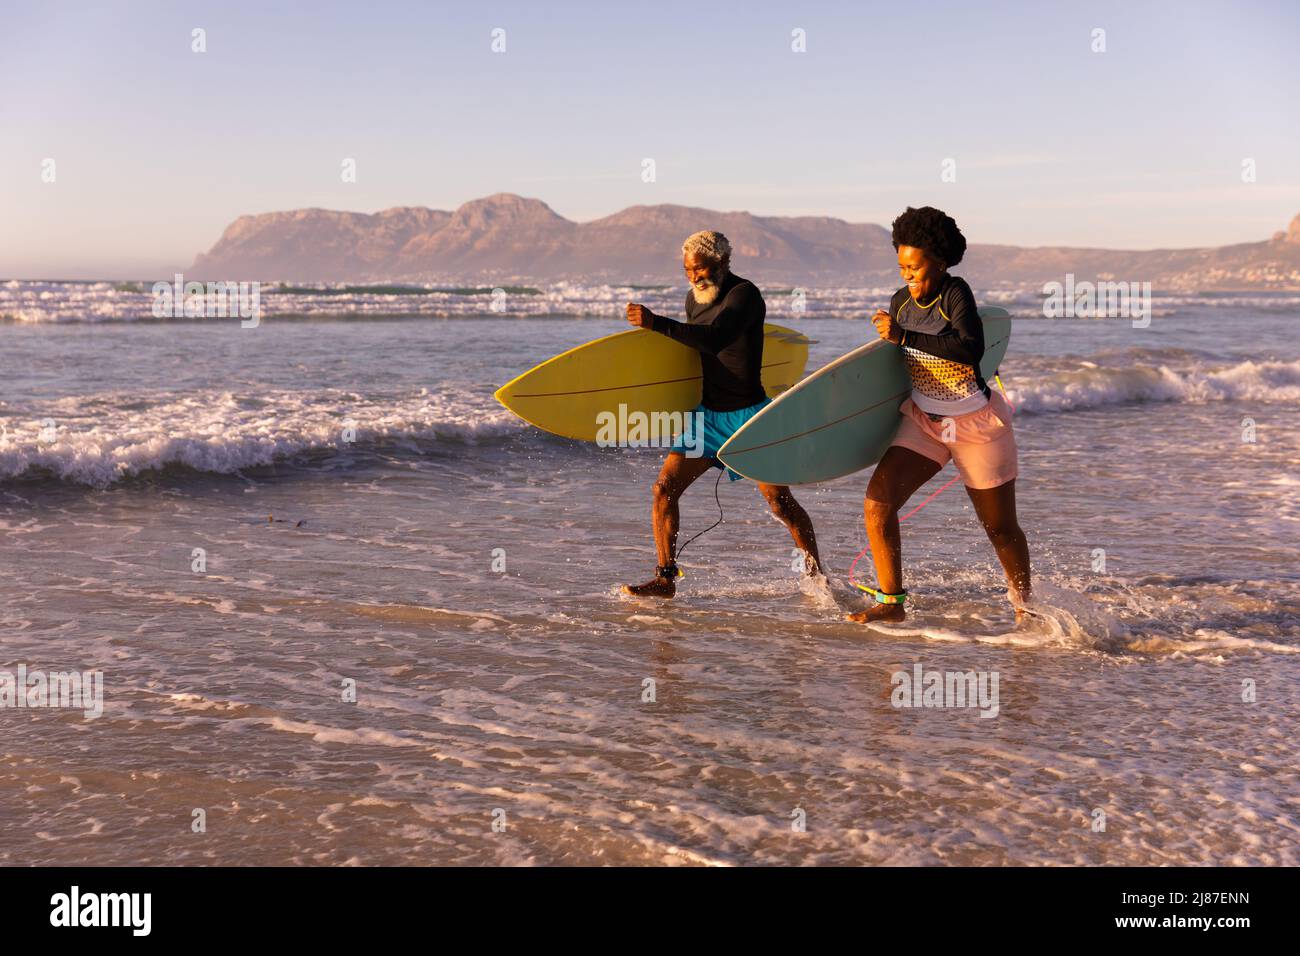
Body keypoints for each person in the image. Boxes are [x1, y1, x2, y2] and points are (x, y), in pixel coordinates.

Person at [849, 206, 1031, 623]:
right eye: (902, 268)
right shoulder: (900, 303)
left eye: (915, 268)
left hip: (975, 425)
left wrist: (903, 336)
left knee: (1000, 528)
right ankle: (891, 603)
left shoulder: (955, 293)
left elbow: (970, 349)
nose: (907, 277)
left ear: (940, 262)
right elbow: (891, 368)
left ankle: (1026, 608)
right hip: (926, 423)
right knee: (878, 501)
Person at [622, 230, 822, 597]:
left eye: (700, 269)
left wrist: (656, 323)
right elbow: (690, 351)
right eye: (687, 271)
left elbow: (714, 338)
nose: (694, 277)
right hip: (708, 418)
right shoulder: (692, 300)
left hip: (750, 417)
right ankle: (665, 578)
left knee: (779, 502)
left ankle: (815, 574)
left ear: (722, 263)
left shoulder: (744, 295)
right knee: (663, 489)